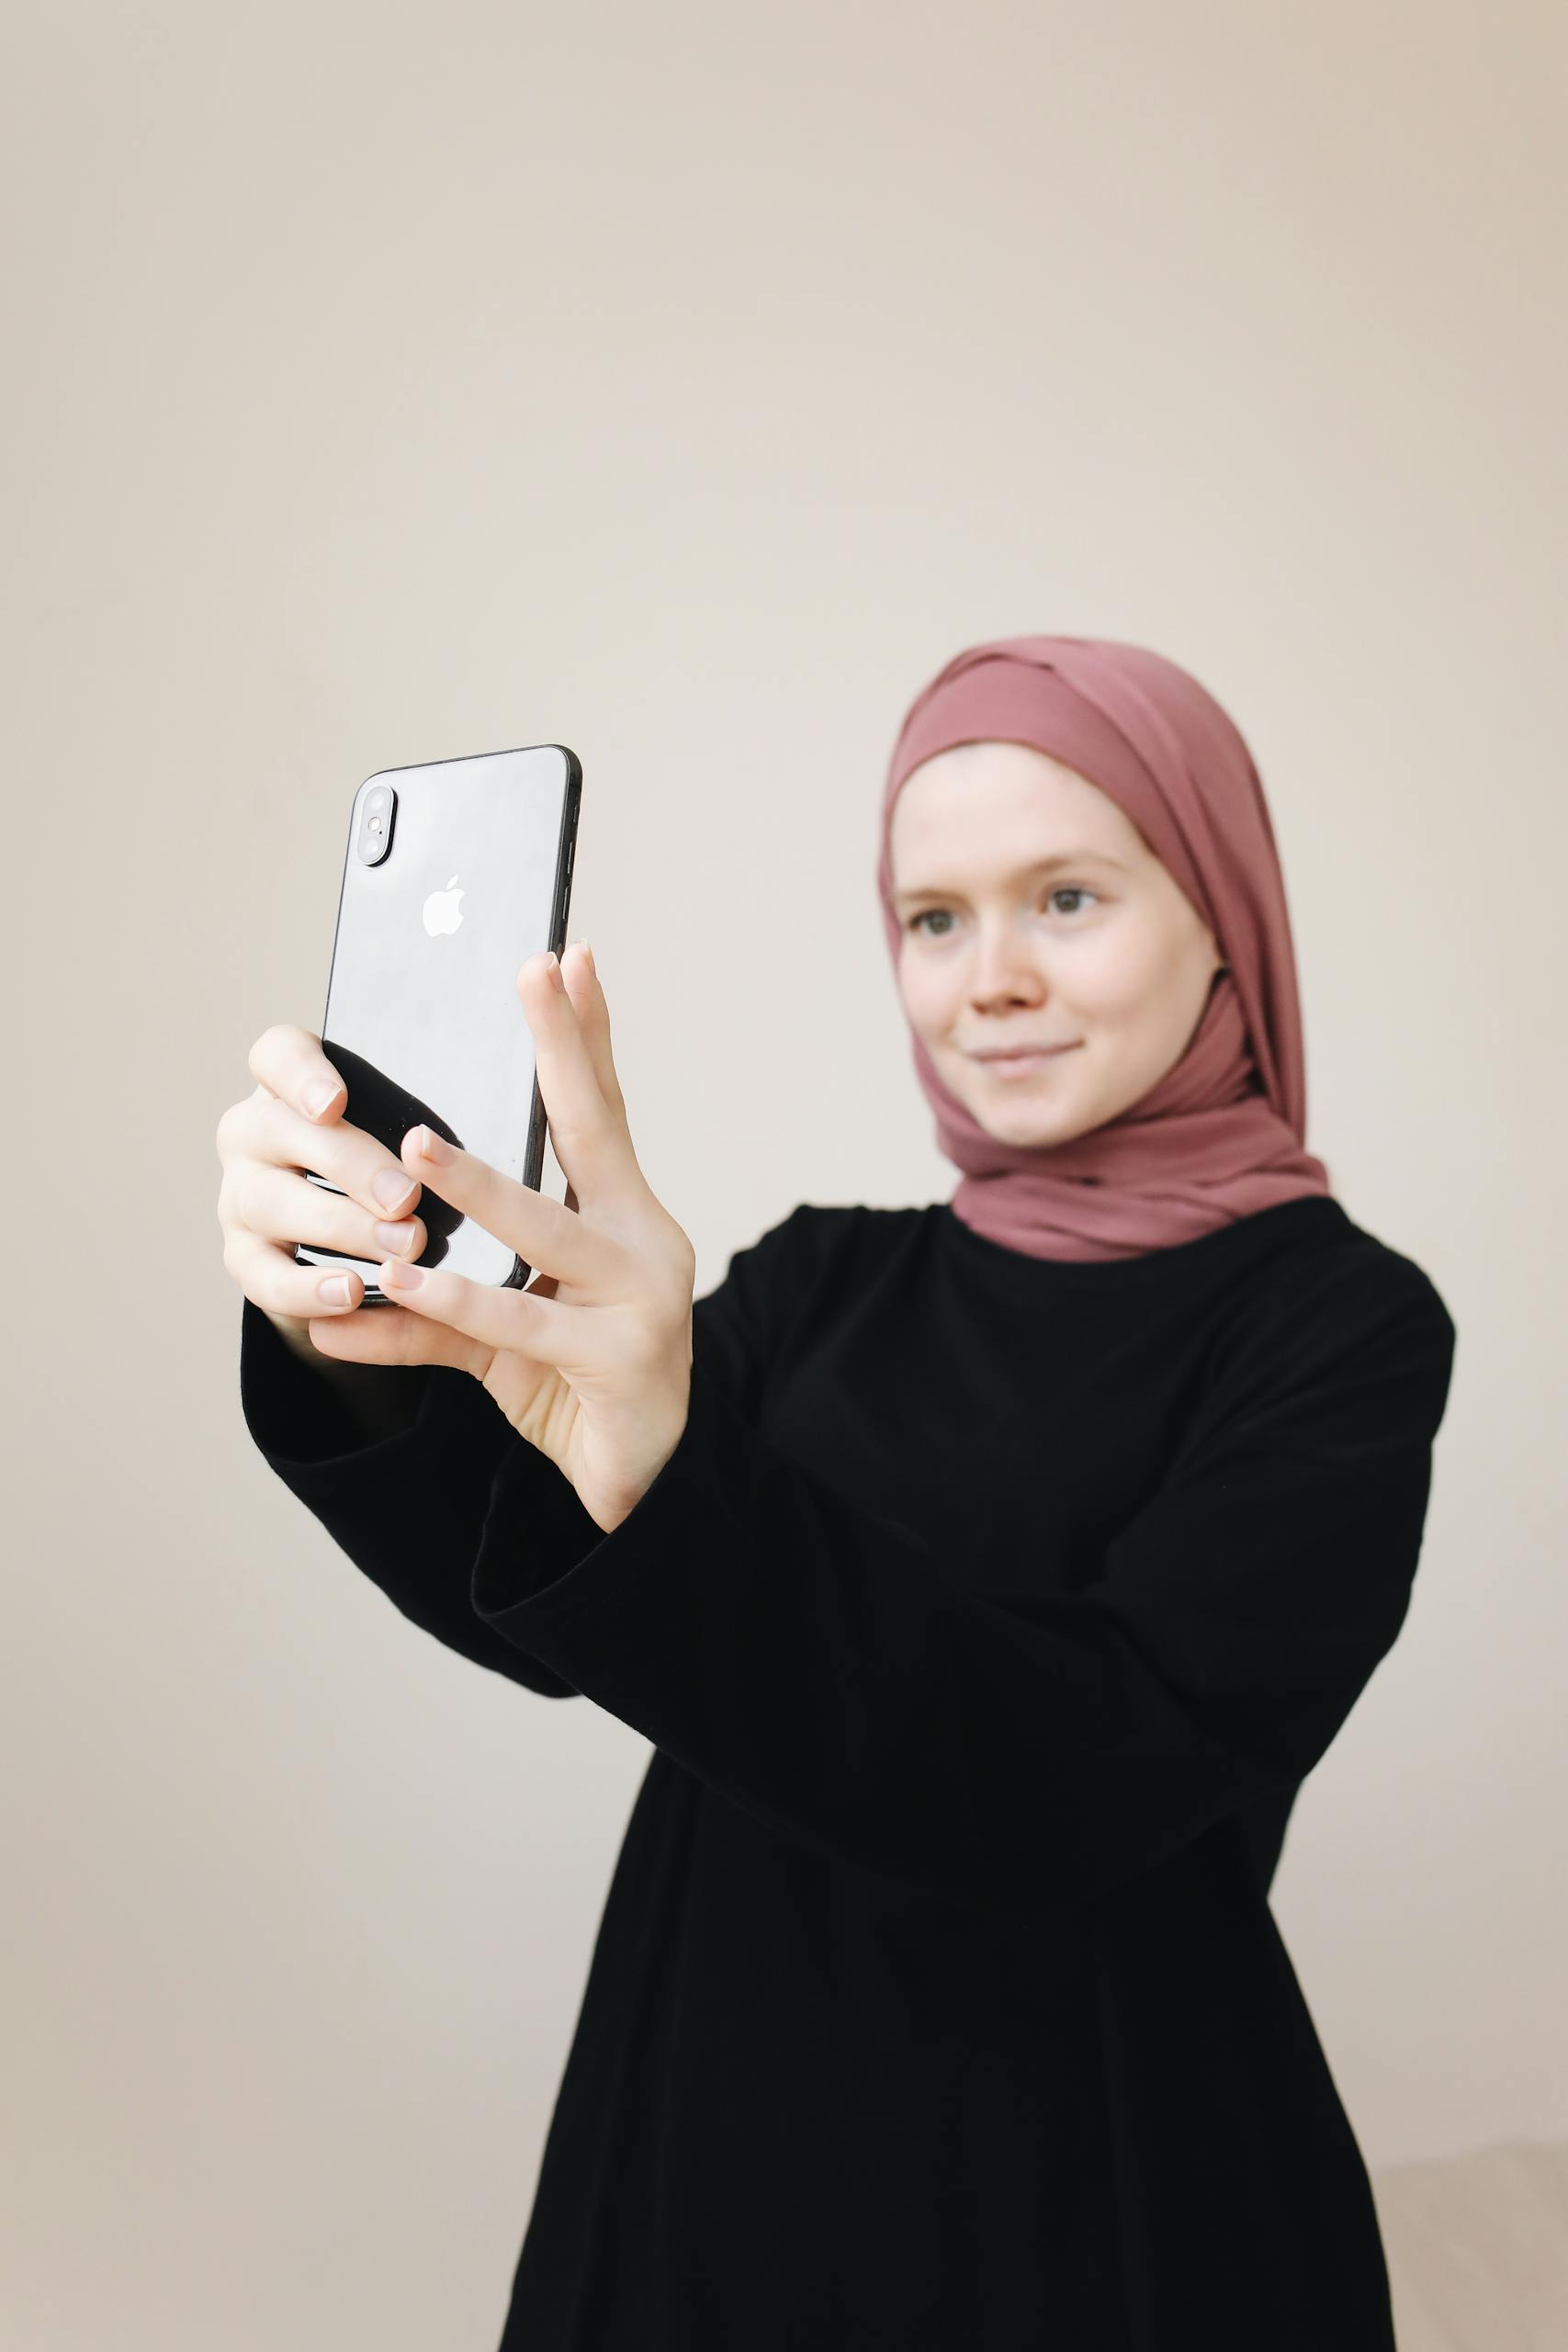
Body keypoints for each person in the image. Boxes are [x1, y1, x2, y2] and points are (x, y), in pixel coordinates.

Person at [217, 633, 1458, 2349]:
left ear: (1223, 916)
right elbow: (547, 1593)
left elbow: (1091, 1763)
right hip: (704, 2138)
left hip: (1098, 2192)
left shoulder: (1339, 1328)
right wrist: (352, 1329)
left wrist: (673, 1480)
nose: (988, 979)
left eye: (1070, 898)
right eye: (933, 918)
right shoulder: (827, 1283)